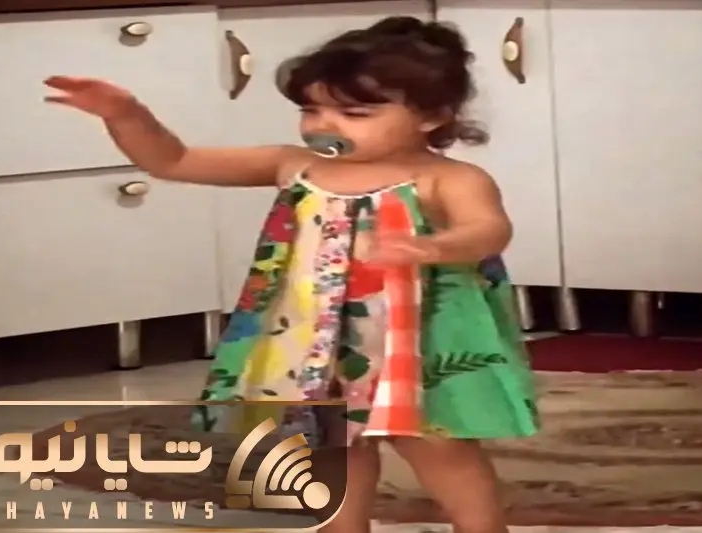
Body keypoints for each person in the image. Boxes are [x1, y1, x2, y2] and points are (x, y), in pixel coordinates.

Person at [43, 15, 538, 533]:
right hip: (315, 341)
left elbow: (489, 230)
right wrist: (126, 115)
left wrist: (433, 246)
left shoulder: (447, 178)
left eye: (354, 113)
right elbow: (174, 160)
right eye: (311, 109)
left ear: (433, 116)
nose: (325, 125)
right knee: (329, 442)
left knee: (438, 446)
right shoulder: (294, 165)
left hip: (417, 344)